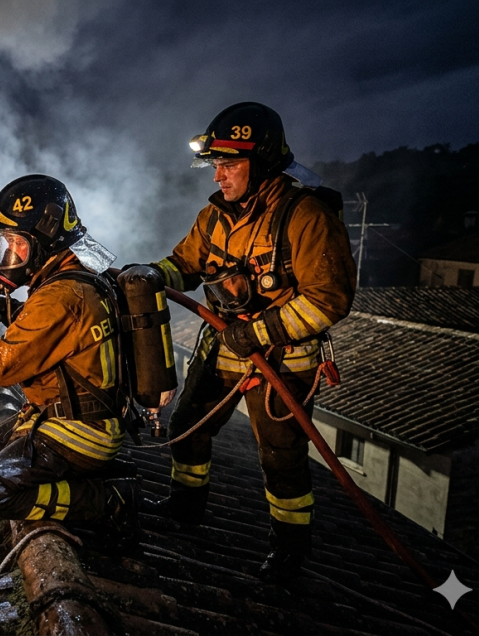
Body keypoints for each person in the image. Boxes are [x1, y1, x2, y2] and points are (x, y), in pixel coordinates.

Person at [143, 102, 356, 582]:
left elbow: (330, 300)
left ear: (260, 164)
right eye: (214, 165)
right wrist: (152, 274)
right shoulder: (214, 218)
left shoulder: (306, 216)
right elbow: (186, 264)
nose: (218, 176)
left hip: (283, 361)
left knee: (281, 462)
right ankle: (185, 509)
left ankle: (288, 554)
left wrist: (259, 332)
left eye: (229, 164)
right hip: (222, 351)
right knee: (187, 426)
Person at [0, 174, 140, 539]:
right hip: (72, 415)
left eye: (14, 242)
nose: (9, 254)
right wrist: (4, 310)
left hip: (80, 432)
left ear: (43, 238)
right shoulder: (76, 272)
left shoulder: (62, 293)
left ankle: (109, 499)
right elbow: (58, 334)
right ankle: (93, 483)